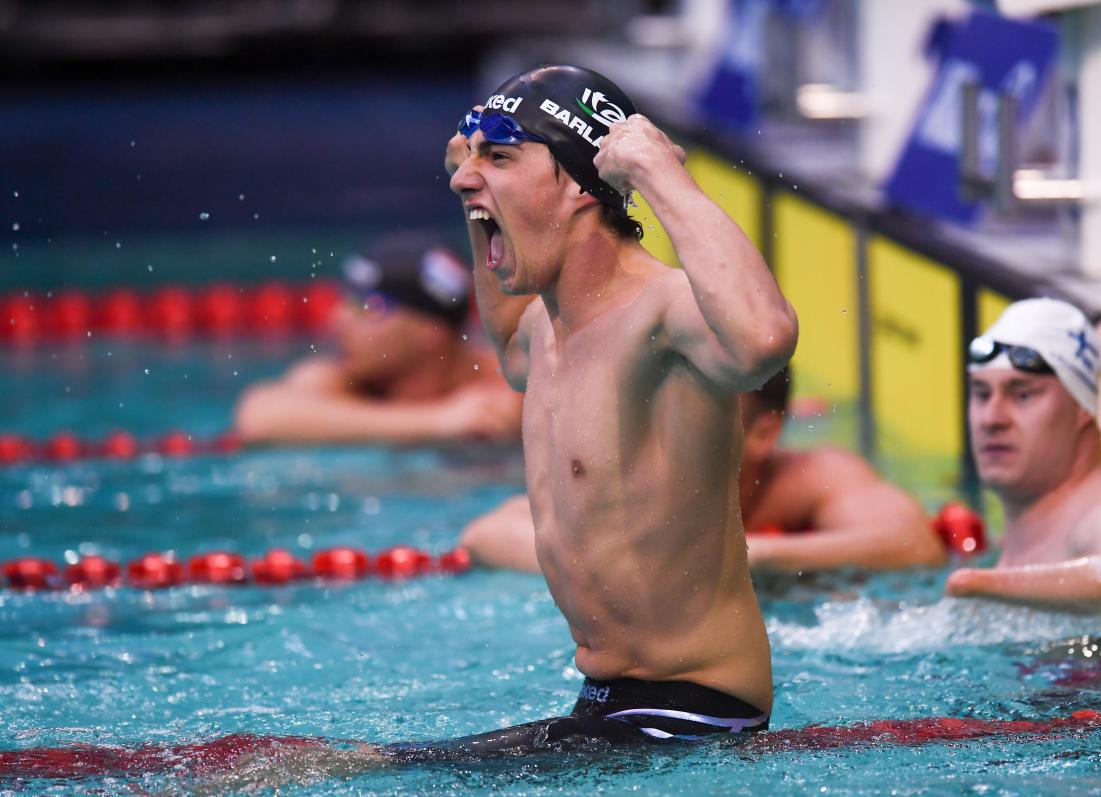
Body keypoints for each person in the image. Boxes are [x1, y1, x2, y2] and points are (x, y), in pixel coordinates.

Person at [403, 61, 798, 755]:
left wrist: (658, 173)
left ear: (581, 186)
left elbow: (763, 340)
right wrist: (477, 200)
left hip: (694, 712)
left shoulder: (663, 313)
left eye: (499, 156)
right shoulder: (544, 329)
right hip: (609, 705)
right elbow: (505, 342)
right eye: (471, 159)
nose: (467, 175)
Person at [460, 368, 946, 574]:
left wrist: (752, 556)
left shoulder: (810, 478)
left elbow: (912, 543)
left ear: (762, 433)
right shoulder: (638, 483)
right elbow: (490, 533)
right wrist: (637, 567)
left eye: (701, 407)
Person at [945, 298, 1101, 613]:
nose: (991, 418)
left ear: (1084, 410)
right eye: (981, 393)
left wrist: (975, 584)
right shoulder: (1085, 483)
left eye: (1022, 394)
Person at [234, 235, 522, 445]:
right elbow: (258, 417)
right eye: (344, 301)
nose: (337, 321)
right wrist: (437, 422)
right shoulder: (345, 382)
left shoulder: (507, 382)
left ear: (430, 331)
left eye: (369, 307)